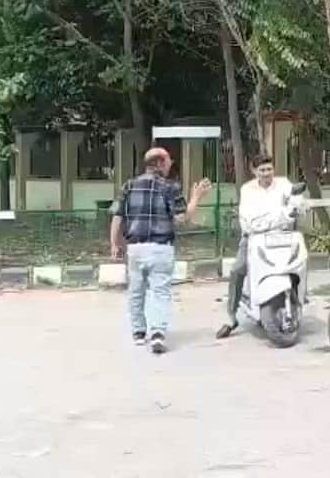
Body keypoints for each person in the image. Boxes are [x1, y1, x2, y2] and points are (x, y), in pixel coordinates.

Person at [109, 147, 213, 354]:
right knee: (160, 292)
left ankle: (139, 333)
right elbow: (182, 218)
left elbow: (117, 216)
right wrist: (196, 197)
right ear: (159, 163)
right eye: (168, 161)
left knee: (136, 292)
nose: (170, 164)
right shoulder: (170, 187)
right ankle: (157, 333)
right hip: (160, 248)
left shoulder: (128, 185)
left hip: (135, 248)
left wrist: (114, 243)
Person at [216, 154, 292, 339]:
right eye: (262, 170)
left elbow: (294, 207)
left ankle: (294, 302)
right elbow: (248, 220)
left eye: (269, 169)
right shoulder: (247, 189)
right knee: (237, 270)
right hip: (253, 238)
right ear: (254, 171)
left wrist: (291, 213)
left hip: (280, 237)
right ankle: (231, 316)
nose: (267, 174)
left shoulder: (284, 185)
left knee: (295, 264)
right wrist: (276, 219)